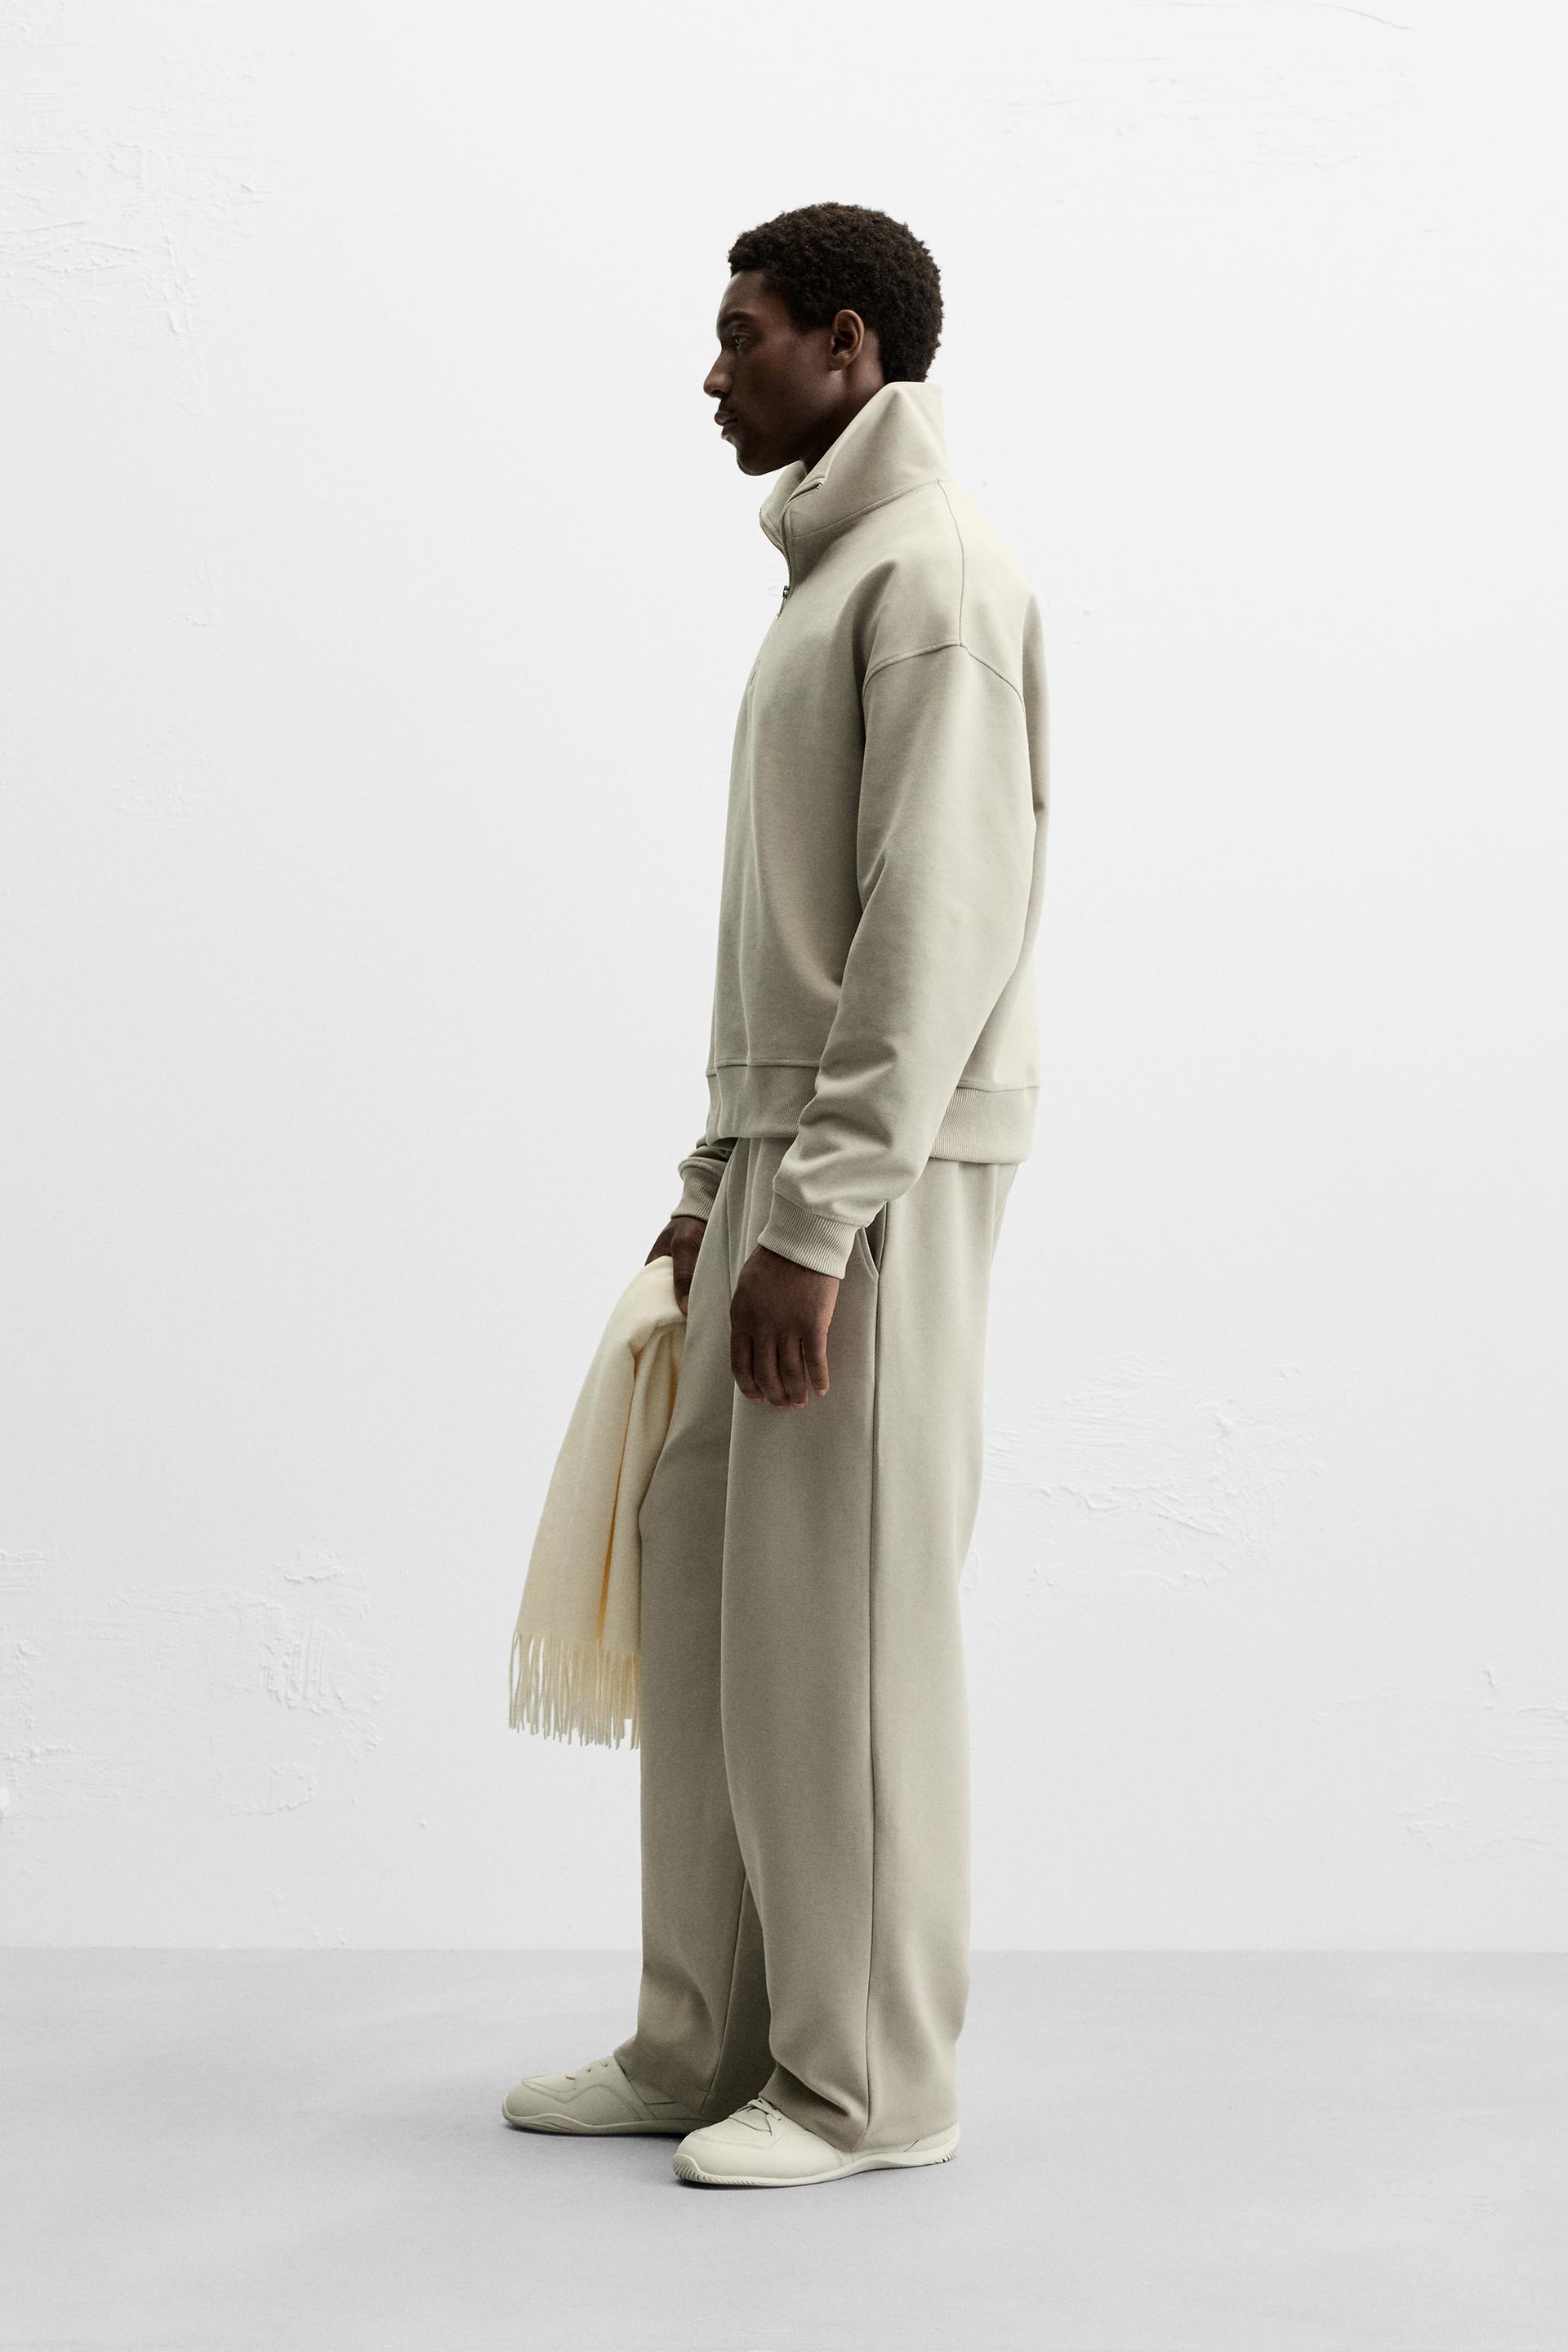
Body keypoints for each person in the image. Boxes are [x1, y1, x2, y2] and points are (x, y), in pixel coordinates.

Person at [502, 200, 1049, 2189]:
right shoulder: (834, 580)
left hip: (871, 1194)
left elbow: (936, 929)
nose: (712, 370)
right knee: (717, 1592)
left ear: (848, 345)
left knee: (846, 1631)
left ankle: (868, 2087)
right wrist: (711, 1187)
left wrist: (816, 1221)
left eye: (743, 333)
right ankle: (709, 2039)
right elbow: (789, 951)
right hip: (781, 1170)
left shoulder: (934, 575)